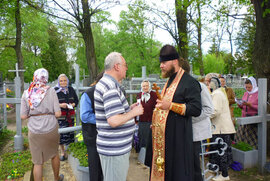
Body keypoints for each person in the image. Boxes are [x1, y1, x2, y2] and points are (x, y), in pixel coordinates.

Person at [150, 45, 202, 181]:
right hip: (165, 139)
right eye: (160, 63)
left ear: (174, 61)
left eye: (163, 63)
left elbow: (196, 109)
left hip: (179, 140)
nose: (161, 66)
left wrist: (170, 105)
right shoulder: (169, 81)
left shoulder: (190, 82)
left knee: (177, 174)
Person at [94, 52, 144, 181]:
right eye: (125, 65)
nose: (126, 68)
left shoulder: (108, 84)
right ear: (117, 66)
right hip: (114, 150)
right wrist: (134, 112)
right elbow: (114, 120)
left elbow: (114, 113)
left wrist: (128, 109)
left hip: (114, 148)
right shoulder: (110, 87)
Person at [20, 68, 64, 181]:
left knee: (37, 161)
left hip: (34, 130)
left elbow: (23, 116)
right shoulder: (51, 91)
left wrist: (34, 114)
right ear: (46, 78)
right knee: (54, 154)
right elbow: (58, 114)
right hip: (51, 128)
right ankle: (56, 178)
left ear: (35, 77)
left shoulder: (26, 93)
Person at [180, 60, 214, 181]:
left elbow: (209, 109)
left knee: (194, 166)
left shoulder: (200, 86)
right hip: (182, 132)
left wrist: (189, 120)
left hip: (195, 133)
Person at [207, 74, 236, 181]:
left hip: (221, 128)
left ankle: (224, 175)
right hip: (220, 127)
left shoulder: (217, 94)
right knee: (218, 150)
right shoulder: (218, 93)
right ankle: (218, 171)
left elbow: (215, 111)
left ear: (213, 84)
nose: (208, 84)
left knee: (221, 151)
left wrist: (204, 117)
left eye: (209, 82)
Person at [80, 71, 104, 181]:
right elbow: (85, 116)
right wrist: (104, 119)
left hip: (106, 136)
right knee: (95, 168)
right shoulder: (88, 94)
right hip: (93, 135)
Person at [54, 74, 79, 161]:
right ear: (58, 82)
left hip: (70, 116)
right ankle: (62, 152)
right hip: (61, 116)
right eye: (61, 81)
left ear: (67, 81)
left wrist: (73, 104)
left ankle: (70, 151)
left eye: (64, 80)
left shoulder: (71, 89)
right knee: (61, 135)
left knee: (71, 133)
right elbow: (52, 103)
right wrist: (61, 105)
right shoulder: (55, 90)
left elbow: (76, 100)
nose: (63, 82)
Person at [235, 76, 258, 148]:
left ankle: (252, 149)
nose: (248, 89)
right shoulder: (246, 93)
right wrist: (240, 104)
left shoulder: (258, 94)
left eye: (249, 87)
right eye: (246, 87)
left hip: (252, 118)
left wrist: (250, 105)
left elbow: (261, 107)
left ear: (253, 85)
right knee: (240, 136)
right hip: (244, 118)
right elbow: (243, 107)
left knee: (251, 138)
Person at [136, 80, 157, 153]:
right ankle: (142, 156)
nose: (145, 87)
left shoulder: (154, 95)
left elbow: (156, 108)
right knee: (141, 138)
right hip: (141, 121)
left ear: (149, 86)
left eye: (146, 86)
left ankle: (149, 156)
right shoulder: (139, 94)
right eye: (143, 86)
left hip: (150, 121)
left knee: (149, 139)